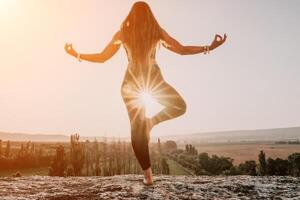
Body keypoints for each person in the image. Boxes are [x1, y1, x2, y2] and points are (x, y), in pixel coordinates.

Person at [65, 1, 226, 185]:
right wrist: (209, 47)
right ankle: (148, 174)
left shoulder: (130, 33)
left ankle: (149, 136)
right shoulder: (152, 31)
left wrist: (77, 54)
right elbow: (181, 50)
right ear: (149, 15)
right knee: (152, 123)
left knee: (149, 124)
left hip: (140, 85)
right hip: (145, 85)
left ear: (130, 16)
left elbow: (103, 57)